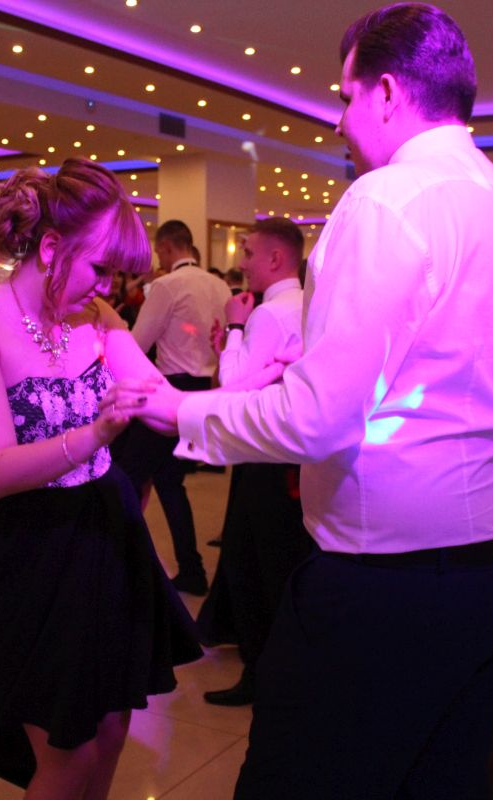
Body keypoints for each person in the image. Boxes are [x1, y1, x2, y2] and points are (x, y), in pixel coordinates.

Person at [120, 6, 493, 796]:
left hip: (391, 589)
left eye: (344, 96)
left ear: (386, 92)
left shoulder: (385, 199)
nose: (337, 120)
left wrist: (181, 410)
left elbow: (318, 419)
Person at [0, 159, 200, 798]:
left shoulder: (96, 315)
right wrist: (94, 434)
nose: (108, 287)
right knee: (68, 747)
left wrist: (259, 387)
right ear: (53, 246)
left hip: (104, 533)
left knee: (112, 727)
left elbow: (163, 401)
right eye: (101, 269)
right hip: (25, 546)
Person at [202, 218, 314, 706]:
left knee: (254, 564)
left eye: (248, 253)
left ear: (275, 258)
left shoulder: (267, 314)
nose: (242, 262)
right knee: (283, 562)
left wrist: (234, 327)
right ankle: (284, 668)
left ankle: (260, 674)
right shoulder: (309, 305)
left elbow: (234, 389)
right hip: (296, 454)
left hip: (263, 452)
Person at [118, 219, 230, 596]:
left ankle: (119, 563)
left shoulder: (168, 285)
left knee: (125, 477)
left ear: (166, 248)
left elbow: (136, 343)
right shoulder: (218, 285)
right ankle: (191, 569)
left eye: (159, 252)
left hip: (170, 390)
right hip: (206, 390)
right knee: (169, 481)